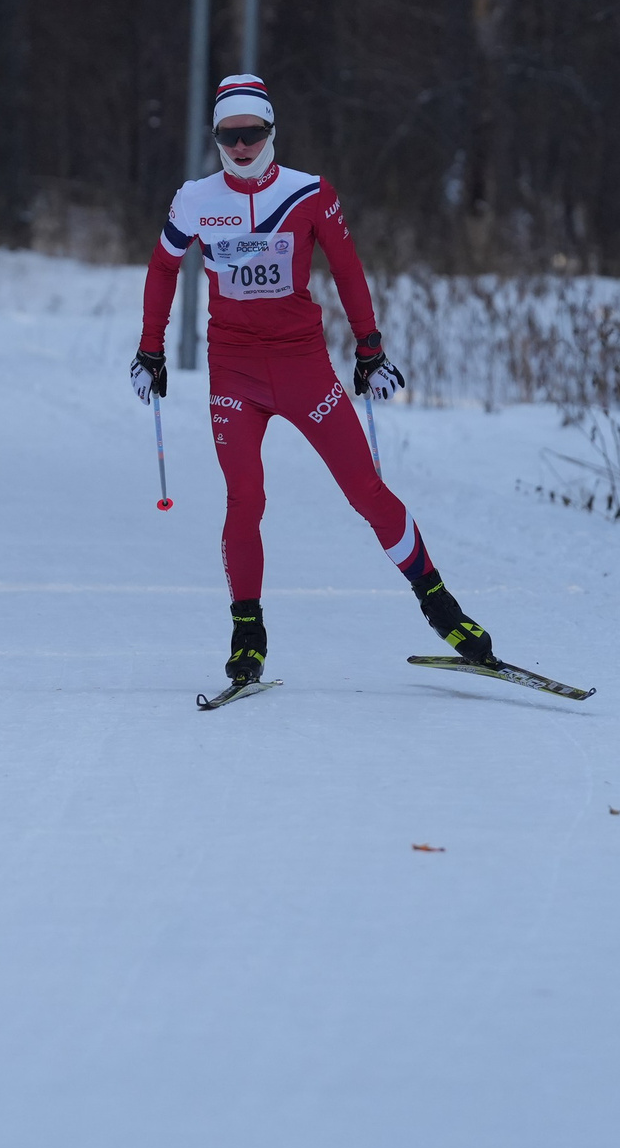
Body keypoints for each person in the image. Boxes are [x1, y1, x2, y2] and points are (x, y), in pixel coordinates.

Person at [130, 74, 496, 688]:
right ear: (215, 137)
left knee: (366, 491)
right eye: (228, 136)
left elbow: (347, 270)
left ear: (271, 131)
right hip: (235, 372)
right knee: (245, 499)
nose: (241, 146)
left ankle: (441, 608)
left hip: (302, 367)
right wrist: (151, 348)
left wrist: (371, 349)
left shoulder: (310, 193)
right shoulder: (194, 199)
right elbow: (163, 268)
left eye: (252, 133)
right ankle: (248, 633)